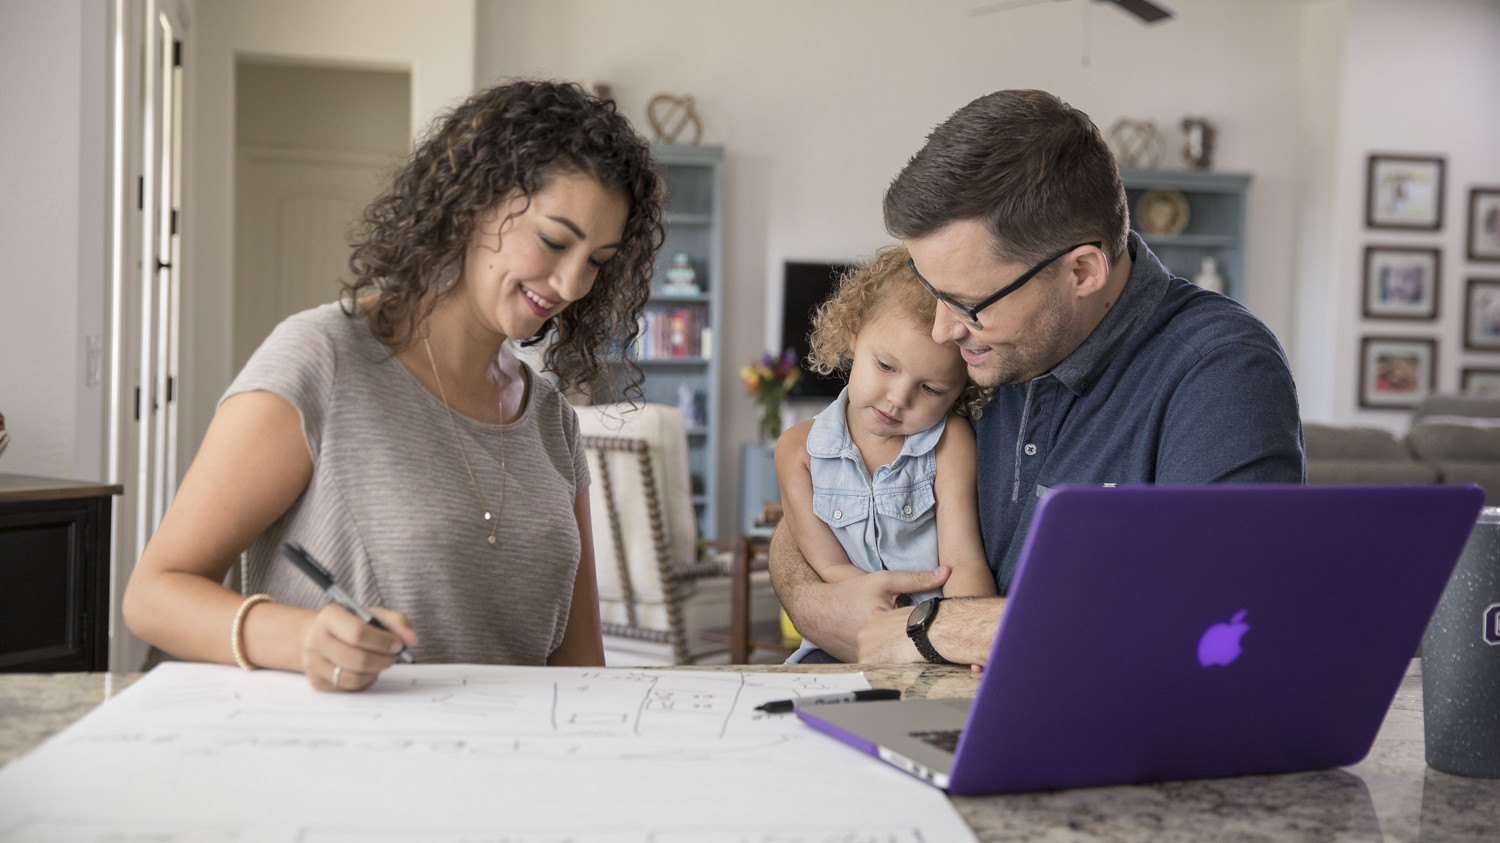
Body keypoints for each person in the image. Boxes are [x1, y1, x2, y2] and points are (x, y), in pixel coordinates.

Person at [123, 80, 665, 690]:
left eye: (597, 260)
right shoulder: (323, 359)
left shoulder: (551, 422)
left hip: (511, 771)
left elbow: (578, 667)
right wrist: (302, 638)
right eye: (553, 241)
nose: (571, 284)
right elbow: (153, 595)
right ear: (474, 202)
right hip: (347, 766)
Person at [770, 89, 1304, 667]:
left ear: (1081, 271)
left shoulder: (1220, 369)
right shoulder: (978, 356)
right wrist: (813, 603)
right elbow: (830, 500)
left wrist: (930, 627)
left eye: (969, 304)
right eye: (933, 294)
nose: (944, 332)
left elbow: (1229, 620)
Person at [775, 246, 996, 664]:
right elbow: (829, 567)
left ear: (961, 389)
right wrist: (882, 622)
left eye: (930, 389)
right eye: (886, 366)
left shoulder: (952, 442)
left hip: (934, 638)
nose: (898, 399)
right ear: (854, 332)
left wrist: (972, 641)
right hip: (841, 638)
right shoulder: (796, 451)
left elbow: (963, 559)